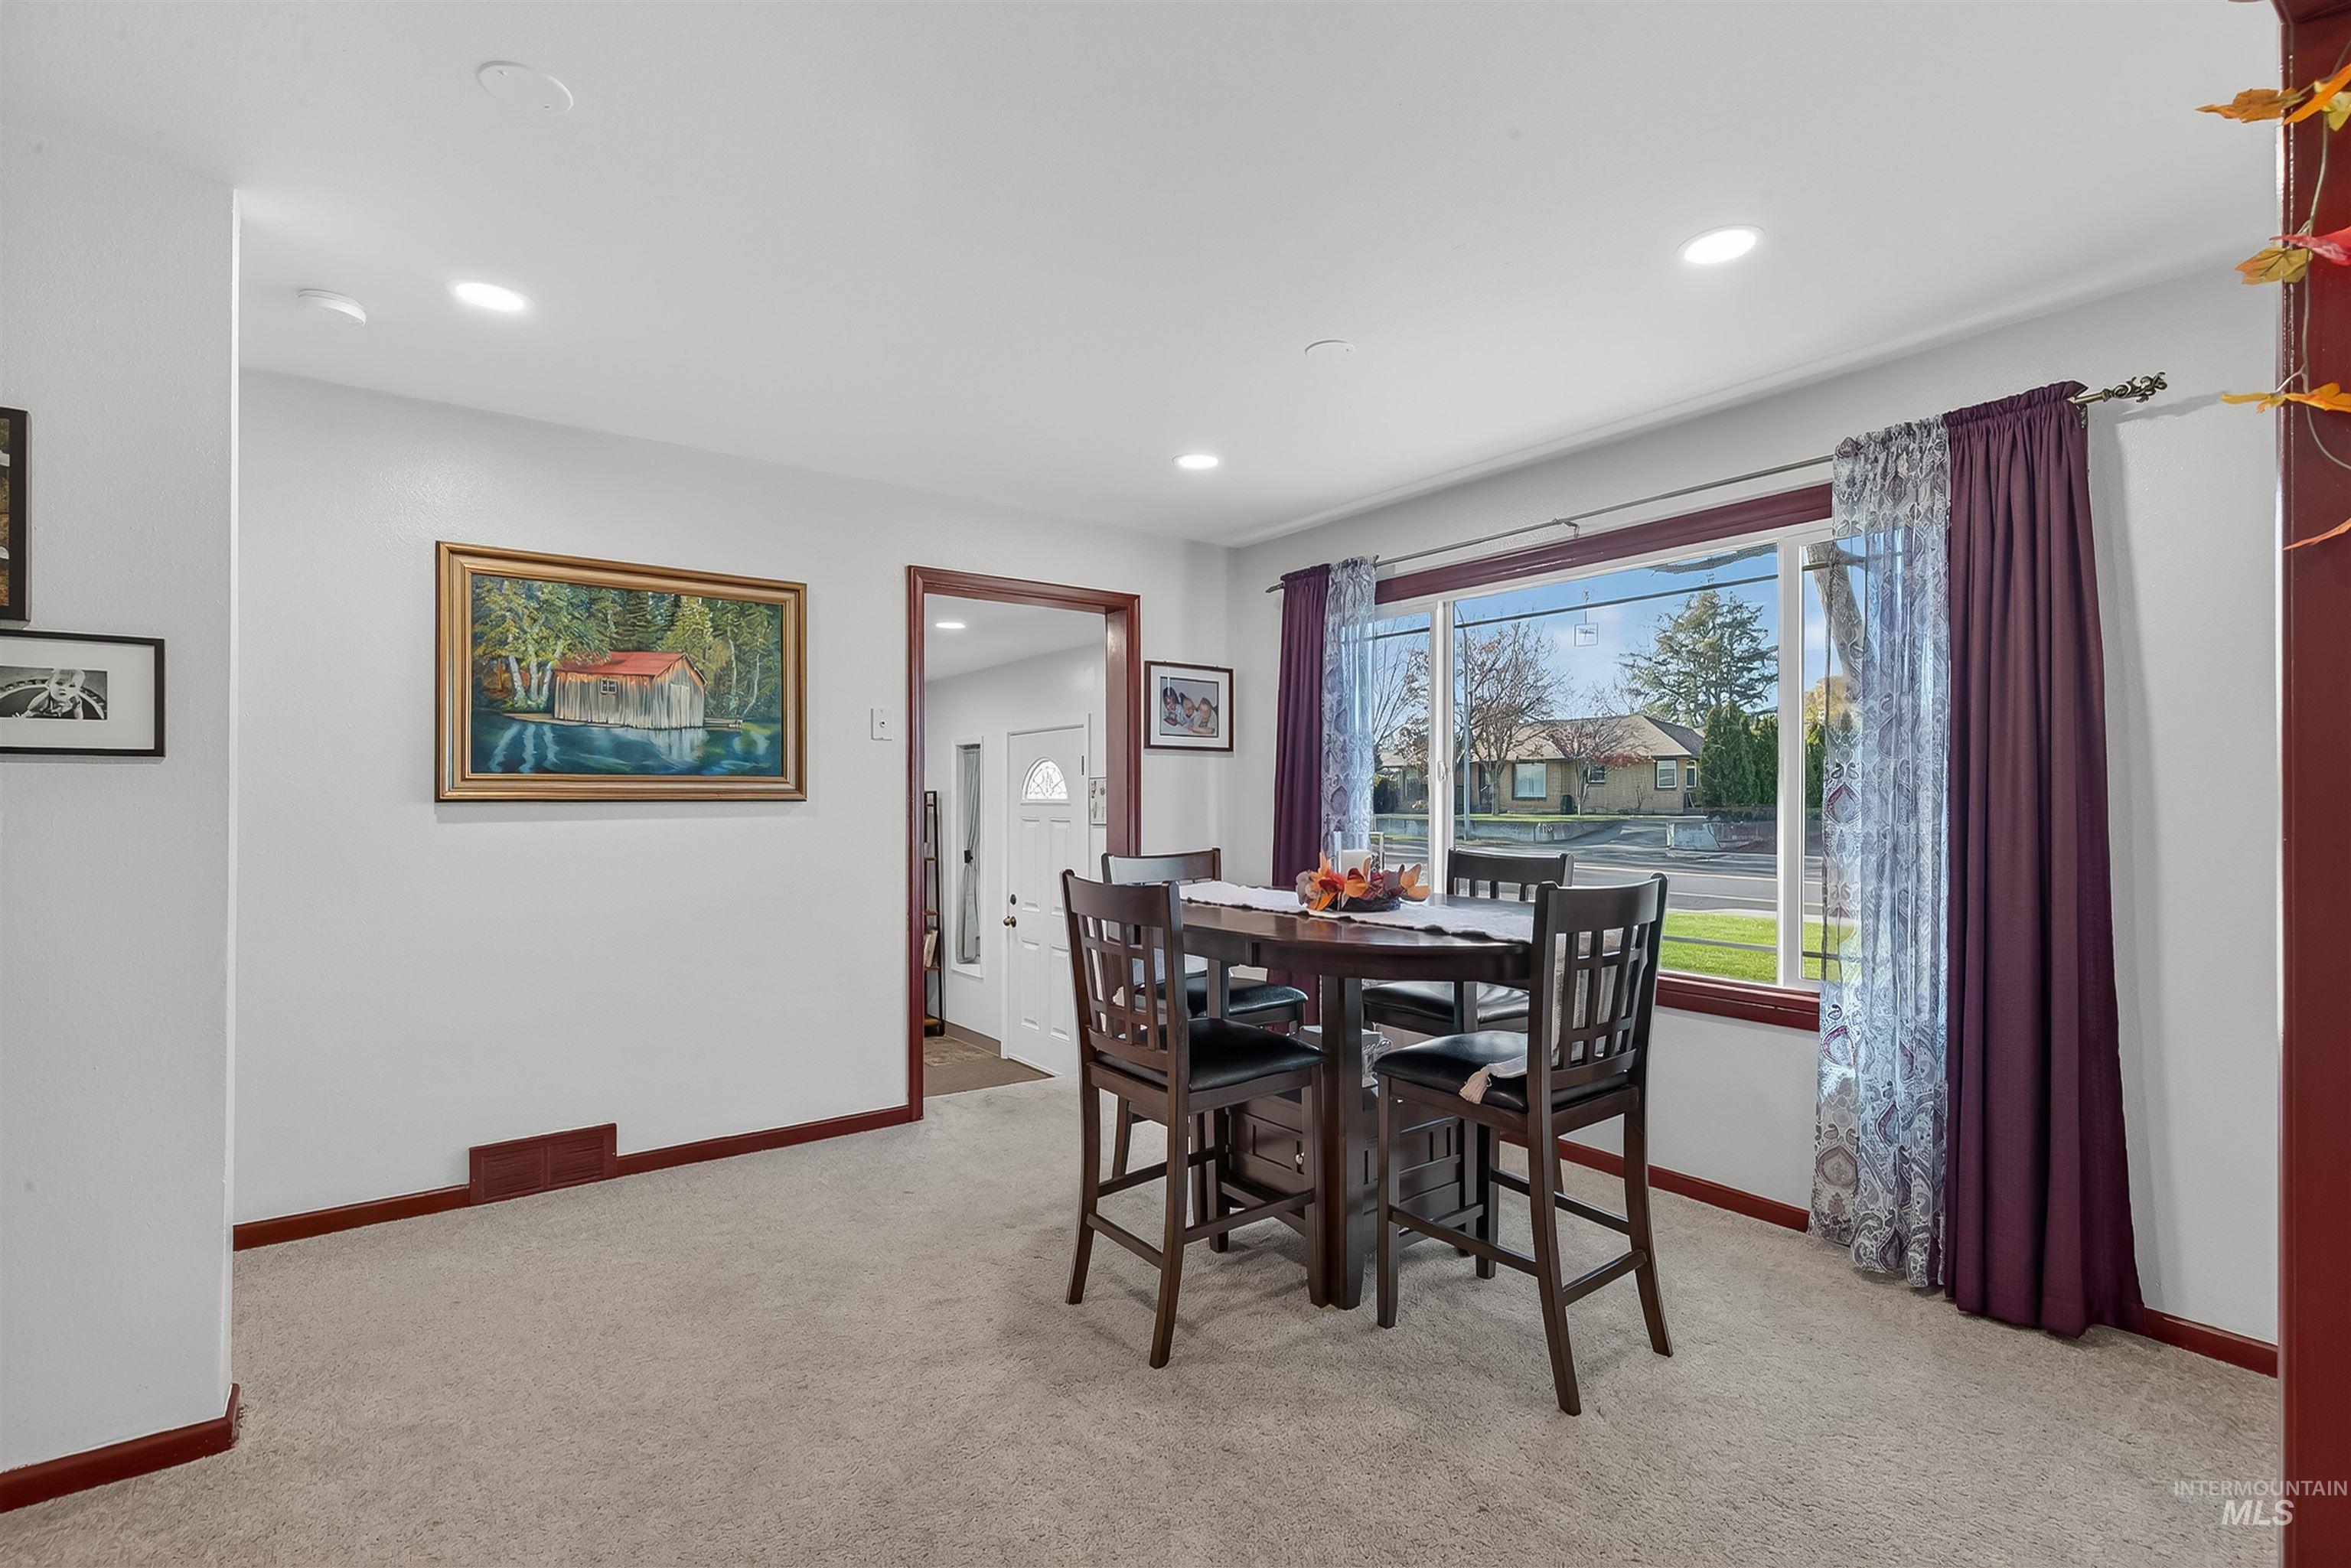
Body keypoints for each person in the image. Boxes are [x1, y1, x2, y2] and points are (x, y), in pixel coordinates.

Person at [21, 668, 103, 720]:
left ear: (77, 690)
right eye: (59, 683)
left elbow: (78, 715)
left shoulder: (75, 700)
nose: (64, 688)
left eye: (72, 686)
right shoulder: (42, 701)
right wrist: (22, 718)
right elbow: (29, 712)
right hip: (45, 716)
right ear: (49, 684)